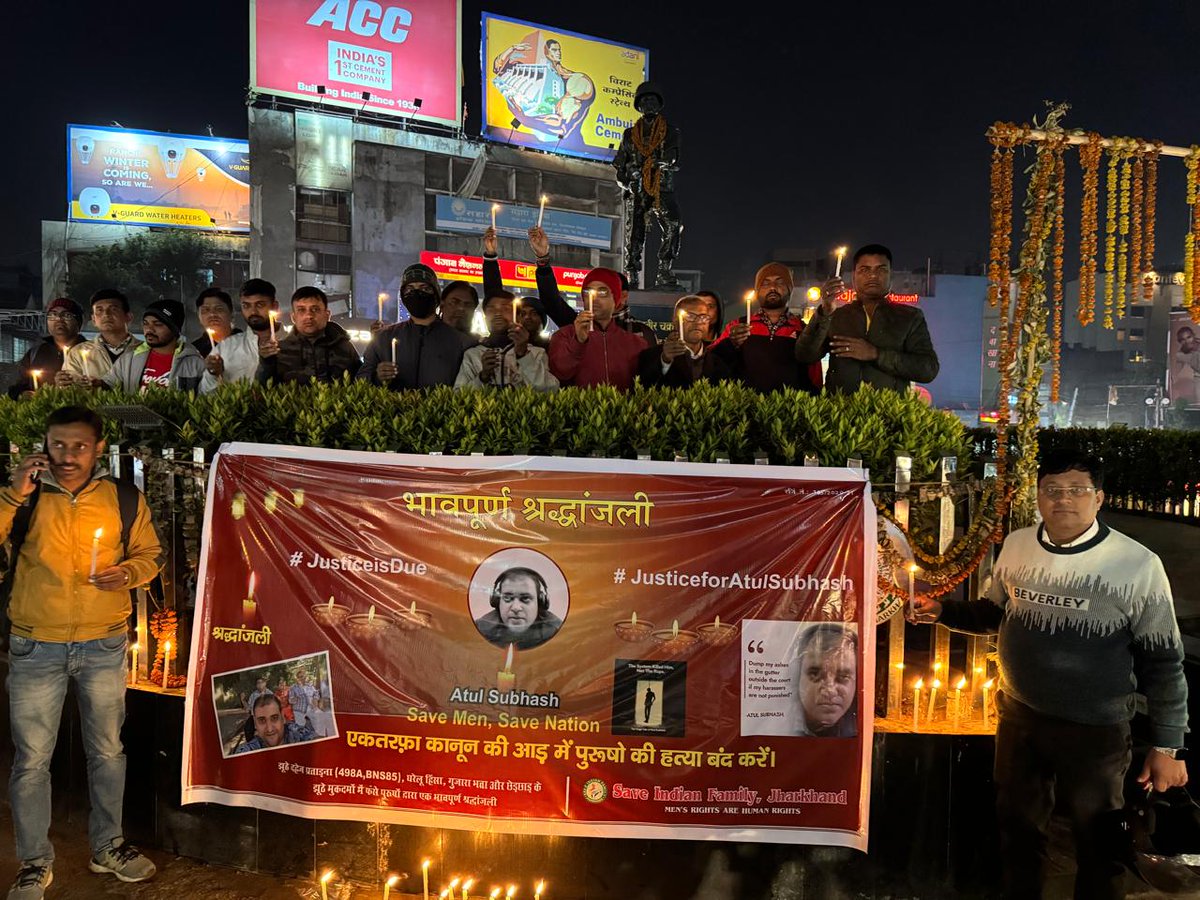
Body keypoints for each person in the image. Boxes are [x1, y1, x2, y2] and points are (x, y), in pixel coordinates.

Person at [910, 449, 1188, 899]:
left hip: (1095, 730)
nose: (1063, 500)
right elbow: (994, 612)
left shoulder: (1137, 565)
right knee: (1018, 831)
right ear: (1038, 497)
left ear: (1099, 499)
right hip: (1020, 718)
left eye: (1077, 490)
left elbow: (1164, 661)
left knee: (1100, 843)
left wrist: (1167, 745)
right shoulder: (1017, 545)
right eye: (1052, 490)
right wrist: (943, 610)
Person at [1, 406, 163, 895]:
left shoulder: (122, 498)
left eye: (78, 446)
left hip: (103, 642)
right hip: (36, 643)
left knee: (108, 751)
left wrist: (128, 574)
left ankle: (108, 845)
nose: (67, 455)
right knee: (31, 760)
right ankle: (33, 862)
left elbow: (150, 554)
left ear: (97, 449)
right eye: (58, 445)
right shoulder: (23, 498)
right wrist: (12, 494)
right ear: (44, 446)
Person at [796, 244, 939, 394]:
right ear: (853, 276)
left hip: (886, 414)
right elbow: (805, 355)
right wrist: (824, 311)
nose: (872, 275)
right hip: (841, 413)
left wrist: (876, 354)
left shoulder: (909, 317)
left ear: (891, 275)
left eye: (881, 269)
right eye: (864, 270)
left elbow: (928, 369)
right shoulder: (837, 316)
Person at [358, 264, 475, 389]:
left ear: (436, 294)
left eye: (424, 288)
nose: (417, 293)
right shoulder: (383, 338)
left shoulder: (460, 342)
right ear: (403, 295)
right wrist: (377, 378)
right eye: (410, 289)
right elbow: (360, 383)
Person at [710, 263, 822, 393]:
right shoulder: (738, 327)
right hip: (745, 406)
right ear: (757, 291)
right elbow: (713, 363)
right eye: (765, 283)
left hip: (790, 408)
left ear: (789, 289)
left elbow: (815, 376)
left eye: (779, 283)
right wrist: (730, 343)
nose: (773, 288)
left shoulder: (802, 330)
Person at [613, 81, 683, 289]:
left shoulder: (670, 131)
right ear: (639, 105)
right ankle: (632, 272)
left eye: (652, 99)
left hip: (661, 188)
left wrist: (656, 165)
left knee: (674, 224)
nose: (649, 103)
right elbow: (619, 167)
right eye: (644, 100)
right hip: (638, 190)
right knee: (635, 232)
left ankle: (664, 270)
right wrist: (628, 180)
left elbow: (673, 157)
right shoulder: (629, 135)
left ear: (659, 104)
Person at [548, 267, 647, 390]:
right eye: (587, 292)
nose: (593, 299)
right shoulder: (564, 335)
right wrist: (578, 342)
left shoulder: (636, 343)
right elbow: (559, 374)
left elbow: (646, 384)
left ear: (615, 298)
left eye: (602, 293)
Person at [255, 286, 361, 385]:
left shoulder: (345, 347)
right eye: (301, 310)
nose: (309, 316)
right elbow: (263, 389)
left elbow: (362, 383)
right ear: (293, 317)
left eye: (315, 309)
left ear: (327, 315)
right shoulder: (279, 350)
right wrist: (266, 363)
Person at [455, 292, 558, 391]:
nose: (498, 314)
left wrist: (524, 356)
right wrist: (482, 377)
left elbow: (550, 390)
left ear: (517, 317)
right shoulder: (473, 355)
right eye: (491, 309)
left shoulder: (536, 353)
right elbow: (458, 396)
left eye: (505, 309)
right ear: (485, 316)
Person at [103, 300, 205, 394]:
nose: (149, 329)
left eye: (158, 324)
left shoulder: (195, 364)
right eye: (145, 323)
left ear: (174, 329)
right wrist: (96, 384)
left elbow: (206, 399)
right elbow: (109, 384)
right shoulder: (129, 359)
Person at [200, 279, 280, 393]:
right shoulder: (226, 348)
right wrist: (213, 374)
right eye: (246, 306)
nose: (253, 312)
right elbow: (204, 396)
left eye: (260, 305)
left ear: (275, 306)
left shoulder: (292, 342)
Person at [639, 294, 734, 387]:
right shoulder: (653, 356)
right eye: (690, 316)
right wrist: (665, 361)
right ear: (675, 321)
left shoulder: (718, 363)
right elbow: (644, 387)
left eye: (703, 317)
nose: (698, 322)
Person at [9, 299, 87, 398]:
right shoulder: (35, 353)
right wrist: (24, 394)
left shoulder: (93, 352)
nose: (59, 319)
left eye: (67, 315)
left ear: (78, 322)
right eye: (53, 315)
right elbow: (17, 387)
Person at [59, 290, 137, 386]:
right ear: (93, 320)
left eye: (113, 309)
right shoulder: (77, 353)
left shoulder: (145, 351)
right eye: (99, 310)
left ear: (128, 317)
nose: (106, 314)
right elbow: (70, 391)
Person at [475, 567, 563, 651]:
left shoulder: (558, 632)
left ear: (540, 601)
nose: (516, 608)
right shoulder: (480, 629)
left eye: (525, 599)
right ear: (497, 601)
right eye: (507, 598)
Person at [794, 624, 857, 738]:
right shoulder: (773, 729)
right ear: (797, 677)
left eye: (843, 677)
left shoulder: (862, 732)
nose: (830, 691)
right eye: (815, 674)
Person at [234, 694, 317, 754]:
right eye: (262, 720)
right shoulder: (249, 751)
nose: (269, 729)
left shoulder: (296, 733)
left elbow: (316, 741)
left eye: (274, 718)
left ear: (283, 718)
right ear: (255, 724)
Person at [192, 287, 241, 357]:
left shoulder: (246, 343)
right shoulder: (194, 351)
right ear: (199, 316)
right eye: (206, 310)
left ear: (232, 313)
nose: (212, 314)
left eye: (219, 309)